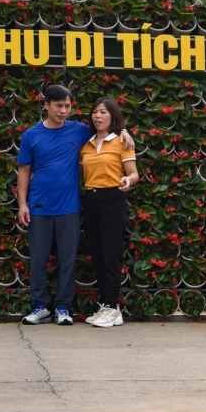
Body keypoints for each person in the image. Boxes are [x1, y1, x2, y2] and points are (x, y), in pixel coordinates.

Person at [19, 85, 133, 327]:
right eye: (58, 105)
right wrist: (22, 204)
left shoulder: (80, 131)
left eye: (68, 106)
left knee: (69, 259)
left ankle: (63, 307)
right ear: (46, 105)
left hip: (71, 207)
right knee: (38, 259)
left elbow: (106, 127)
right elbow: (24, 170)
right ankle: (39, 306)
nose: (63, 110)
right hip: (38, 205)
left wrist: (124, 131)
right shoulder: (31, 135)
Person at [80, 97, 140, 328]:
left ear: (113, 116)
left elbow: (134, 173)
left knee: (111, 255)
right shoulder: (86, 144)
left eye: (103, 112)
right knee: (97, 255)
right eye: (95, 112)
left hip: (113, 198)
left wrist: (128, 180)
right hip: (91, 199)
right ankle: (106, 305)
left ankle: (112, 307)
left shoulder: (122, 142)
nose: (98, 116)